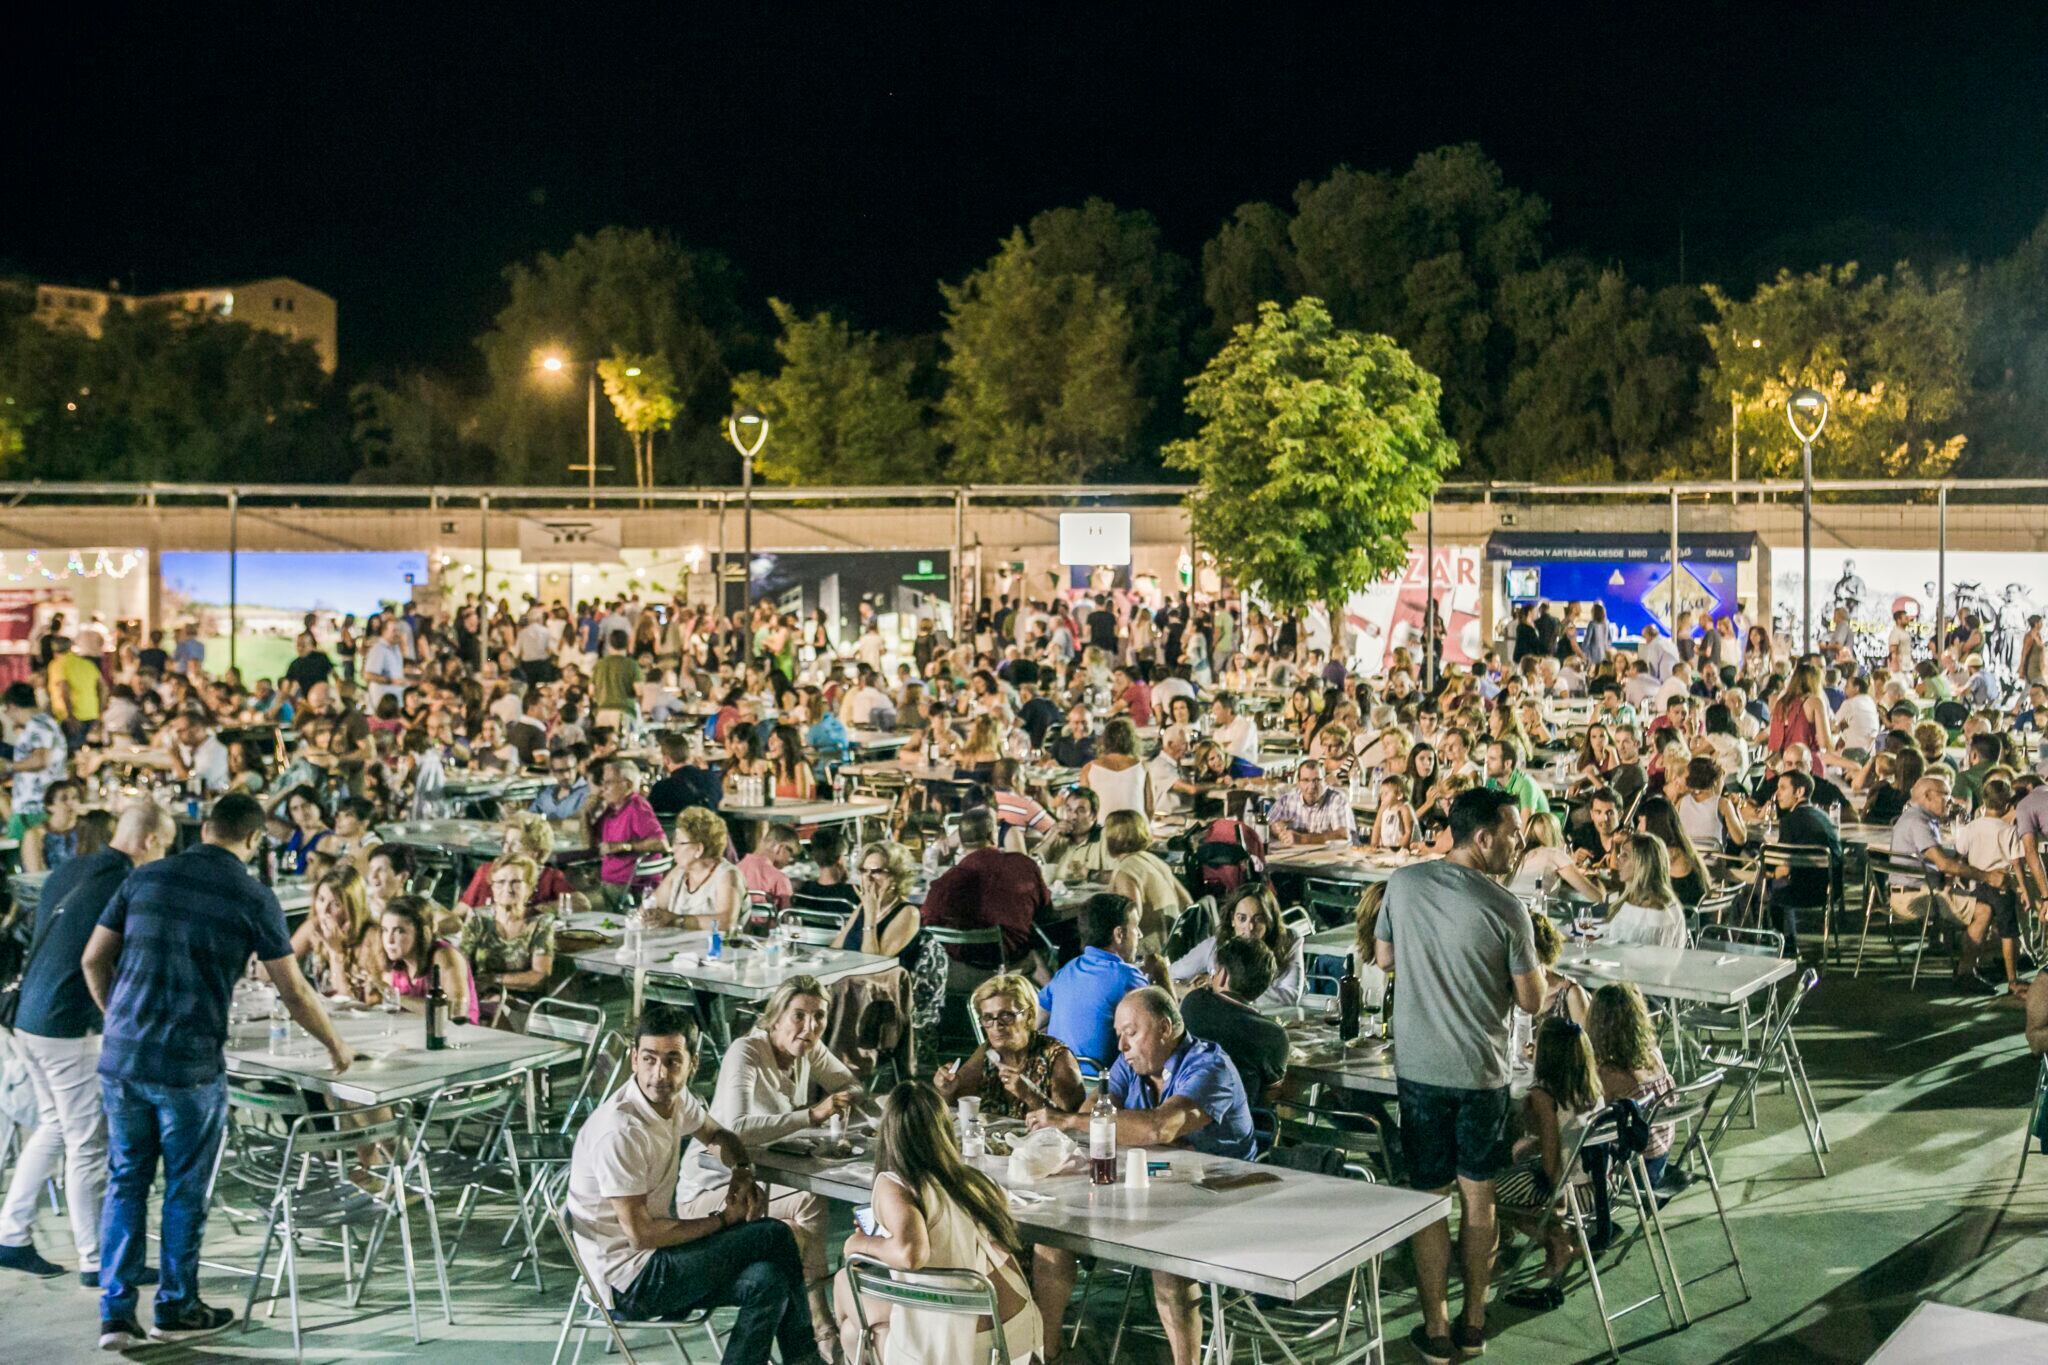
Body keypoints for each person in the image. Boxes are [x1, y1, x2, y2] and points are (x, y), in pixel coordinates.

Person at [80, 792, 354, 1348]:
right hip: (189, 1065)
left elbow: (93, 958)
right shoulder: (253, 895)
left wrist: (120, 1019)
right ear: (254, 841)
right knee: (185, 1189)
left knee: (127, 1182)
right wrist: (336, 1047)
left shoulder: (144, 877)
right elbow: (294, 989)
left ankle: (115, 1316)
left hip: (122, 1059)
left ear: (203, 828)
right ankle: (176, 1308)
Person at [1375, 787, 1544, 1363]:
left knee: (1428, 1201)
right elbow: (1532, 1000)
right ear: (1483, 838)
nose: (1521, 843)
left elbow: (1384, 958)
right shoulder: (1507, 908)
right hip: (1482, 1075)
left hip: (1419, 1072)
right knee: (1479, 1202)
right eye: (1515, 833)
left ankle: (1436, 1329)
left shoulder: (1403, 884)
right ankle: (1475, 1323)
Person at [565, 1003, 823, 1365]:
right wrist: (723, 1219)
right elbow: (641, 1235)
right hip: (630, 1280)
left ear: (692, 1064)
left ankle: (802, 1360)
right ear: (634, 1059)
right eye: (650, 1059)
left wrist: (742, 1171)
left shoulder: (674, 1097)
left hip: (657, 1259)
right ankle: (806, 1359)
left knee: (769, 1280)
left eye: (673, 1060)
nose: (660, 1073)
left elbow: (718, 1134)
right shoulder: (621, 1131)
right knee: (774, 1235)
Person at [1026, 988, 1254, 1365]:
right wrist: (1081, 1122)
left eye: (1131, 1032)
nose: (1121, 1044)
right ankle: (1046, 1355)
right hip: (1151, 1189)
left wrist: (1069, 1119)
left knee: (1166, 1260)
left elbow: (1159, 1128)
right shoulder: (1130, 1065)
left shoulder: (1209, 1066)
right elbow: (1092, 1119)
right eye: (1118, 1034)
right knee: (1053, 1236)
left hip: (1222, 1198)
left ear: (1165, 1028)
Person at [0, 802, 174, 1284]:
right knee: (88, 1144)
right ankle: (98, 1260)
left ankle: (11, 1235)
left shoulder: (74, 866)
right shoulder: (129, 881)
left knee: (54, 1127)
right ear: (151, 841)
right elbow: (102, 958)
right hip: (64, 1022)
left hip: (25, 1016)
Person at [672, 978, 862, 1355]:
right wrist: (811, 1115)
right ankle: (819, 1332)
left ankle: (813, 1336)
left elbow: (851, 1084)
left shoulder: (808, 1048)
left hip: (759, 1186)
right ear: (775, 1017)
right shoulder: (746, 1052)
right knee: (799, 1223)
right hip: (712, 1191)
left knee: (802, 1217)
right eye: (799, 1016)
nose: (809, 1027)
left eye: (819, 1017)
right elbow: (737, 1128)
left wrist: (845, 1098)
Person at [830, 1080, 1043, 1365]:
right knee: (863, 1321)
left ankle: (827, 1349)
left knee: (848, 1313)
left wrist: (861, 1244)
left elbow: (911, 1253)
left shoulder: (895, 1183)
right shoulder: (977, 1182)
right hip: (1013, 1337)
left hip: (961, 1346)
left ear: (889, 1134)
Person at [1495, 1016, 1604, 1314]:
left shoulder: (1544, 1094)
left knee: (1486, 1193)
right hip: (1600, 1186)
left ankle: (1555, 1241)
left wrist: (1551, 1200)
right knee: (1519, 1158)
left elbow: (1552, 1160)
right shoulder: (1590, 1085)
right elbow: (1564, 1136)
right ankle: (1557, 1239)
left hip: (1571, 1189)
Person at [1892, 772, 2006, 994]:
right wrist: (1987, 876)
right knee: (1983, 910)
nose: (1952, 801)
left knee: (1972, 899)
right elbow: (1944, 865)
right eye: (1946, 795)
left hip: (1910, 890)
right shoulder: (1918, 822)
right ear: (1928, 795)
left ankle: (1970, 958)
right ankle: (1966, 971)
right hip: (1917, 896)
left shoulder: (1914, 818)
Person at [919, 807, 1051, 982]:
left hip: (959, 975)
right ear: (992, 835)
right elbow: (1046, 913)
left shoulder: (948, 881)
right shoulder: (1024, 865)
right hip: (1013, 966)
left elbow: (928, 922)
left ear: (962, 841)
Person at [936, 973, 1087, 1121]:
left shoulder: (1057, 1057)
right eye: (988, 1018)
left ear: (1028, 1014)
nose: (996, 1026)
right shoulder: (988, 1052)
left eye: (1006, 1016)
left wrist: (1030, 1095)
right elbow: (956, 1107)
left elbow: (1072, 1128)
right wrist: (946, 1091)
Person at [1035, 893, 1156, 1069]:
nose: (1140, 934)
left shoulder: (1068, 970)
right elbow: (1165, 1030)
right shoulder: (1127, 976)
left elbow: (1036, 1021)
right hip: (1106, 1084)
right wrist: (1161, 973)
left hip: (1061, 1077)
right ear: (1119, 934)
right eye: (1135, 927)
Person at [1179, 935, 1290, 1104]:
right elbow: (1270, 1096)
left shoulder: (1194, 1002)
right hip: (1241, 1124)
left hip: (1183, 1109)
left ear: (1223, 975)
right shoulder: (1274, 1034)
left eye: (1214, 972)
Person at [1170, 881, 1305, 1007]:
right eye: (1242, 918)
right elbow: (1170, 974)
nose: (1250, 927)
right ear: (1232, 919)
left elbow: (1290, 997)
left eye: (1258, 919)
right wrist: (1186, 989)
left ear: (1270, 921)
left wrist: (1221, 986)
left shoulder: (1288, 941)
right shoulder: (1216, 945)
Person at [457, 855, 558, 1016]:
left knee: (497, 1008)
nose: (508, 889)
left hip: (523, 1001)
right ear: (492, 887)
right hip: (478, 996)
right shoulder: (478, 918)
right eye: (500, 882)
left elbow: (539, 976)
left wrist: (493, 980)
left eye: (516, 882)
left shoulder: (540, 923)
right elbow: (460, 963)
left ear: (530, 888)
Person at [1761, 769, 1842, 953]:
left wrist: (1767, 874)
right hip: (1830, 889)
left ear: (1799, 792)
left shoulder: (1790, 821)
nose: (1777, 794)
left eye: (1782, 788)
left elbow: (1784, 869)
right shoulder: (1824, 817)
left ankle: (1782, 944)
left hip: (1799, 892)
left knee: (1766, 884)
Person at [289, 865, 389, 1002]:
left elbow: (346, 999)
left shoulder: (372, 937)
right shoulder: (315, 927)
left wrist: (335, 952)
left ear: (352, 908)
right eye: (321, 899)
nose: (324, 911)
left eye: (336, 904)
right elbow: (280, 963)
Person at [643, 805, 748, 933]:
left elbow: (726, 922)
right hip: (683, 949)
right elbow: (651, 906)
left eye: (679, 843)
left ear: (699, 849)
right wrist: (648, 916)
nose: (673, 849)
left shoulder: (727, 875)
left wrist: (676, 920)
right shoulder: (679, 872)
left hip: (718, 950)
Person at [377, 894, 477, 1024]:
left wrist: (397, 998)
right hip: (412, 1034)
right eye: (385, 930)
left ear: (420, 933)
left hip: (457, 1035)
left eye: (399, 931)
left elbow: (456, 1010)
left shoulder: (444, 956)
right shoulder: (396, 963)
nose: (389, 940)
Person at [1102, 809, 1189, 944]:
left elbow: (1130, 919)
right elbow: (1187, 902)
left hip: (1148, 949)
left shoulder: (1126, 871)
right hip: (1172, 944)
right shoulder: (1153, 860)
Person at [586, 758, 665, 906]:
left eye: (608, 783)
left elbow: (662, 844)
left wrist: (625, 846)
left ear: (627, 785)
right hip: (610, 885)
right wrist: (586, 813)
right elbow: (589, 844)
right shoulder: (611, 809)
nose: (603, 788)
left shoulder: (637, 807)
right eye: (602, 783)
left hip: (630, 891)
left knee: (574, 904)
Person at [456, 812, 577, 910]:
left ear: (535, 852)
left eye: (516, 845)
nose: (506, 850)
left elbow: (581, 903)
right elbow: (461, 910)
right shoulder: (487, 871)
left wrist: (536, 910)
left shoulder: (548, 878)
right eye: (506, 843)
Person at [1600, 833, 1688, 949]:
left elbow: (1646, 958)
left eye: (1625, 855)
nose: (1618, 860)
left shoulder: (1655, 912)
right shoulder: (1631, 898)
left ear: (1643, 863)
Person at [4, 680, 68, 820]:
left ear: (12, 706)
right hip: (36, 803)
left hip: (36, 806)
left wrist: (7, 767)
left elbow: (40, 760)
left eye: (6, 710)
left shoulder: (38, 725)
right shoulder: (42, 723)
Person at [1266, 756, 1355, 845]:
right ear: (1298, 782)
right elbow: (1267, 825)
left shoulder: (1337, 800)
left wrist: (1303, 839)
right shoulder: (1287, 800)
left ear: (1324, 781)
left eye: (1316, 780)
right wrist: (1276, 829)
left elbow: (1343, 835)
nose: (1312, 786)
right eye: (1305, 780)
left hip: (1330, 857)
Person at [1079, 715, 1151, 818]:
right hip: (1136, 828)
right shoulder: (1142, 767)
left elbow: (1083, 806)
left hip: (1103, 829)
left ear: (1104, 740)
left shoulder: (1089, 769)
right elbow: (1149, 807)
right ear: (1132, 741)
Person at [1036, 787, 1110, 883]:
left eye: (1080, 811)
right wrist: (1050, 838)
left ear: (1094, 815)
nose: (1073, 816)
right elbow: (1030, 867)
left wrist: (1090, 874)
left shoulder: (1105, 838)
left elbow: (1122, 874)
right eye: (1069, 809)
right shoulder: (1057, 836)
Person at [18, 778, 84, 874]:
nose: (71, 803)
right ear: (50, 806)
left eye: (75, 798)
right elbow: (35, 875)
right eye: (64, 799)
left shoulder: (84, 831)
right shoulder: (34, 835)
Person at [739, 822, 799, 911]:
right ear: (780, 848)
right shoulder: (780, 879)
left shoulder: (735, 869)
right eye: (791, 853)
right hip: (767, 924)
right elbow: (786, 917)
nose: (790, 860)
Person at [1484, 739, 1549, 817]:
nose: (1487, 763)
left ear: (1507, 764)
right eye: (1486, 759)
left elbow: (1525, 824)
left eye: (1492, 759)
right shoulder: (1491, 782)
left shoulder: (1525, 784)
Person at [531, 747, 592, 818]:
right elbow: (530, 816)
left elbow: (579, 824)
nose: (566, 775)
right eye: (560, 771)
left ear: (577, 768)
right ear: (552, 772)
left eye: (569, 769)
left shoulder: (587, 794)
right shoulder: (547, 793)